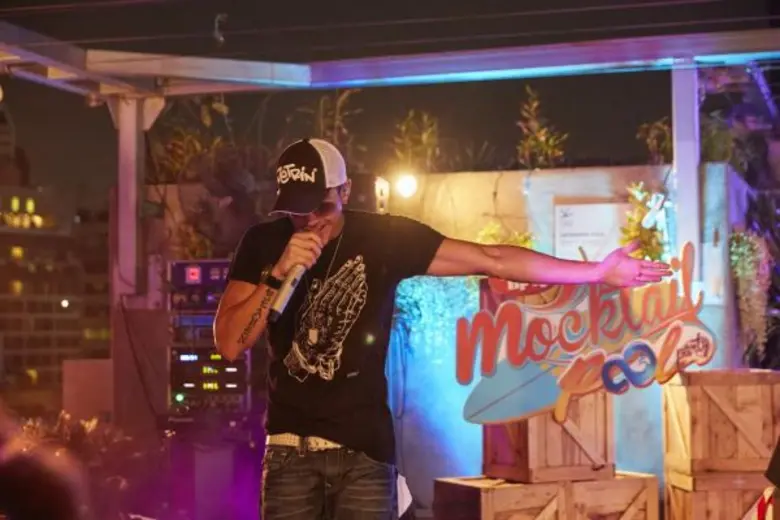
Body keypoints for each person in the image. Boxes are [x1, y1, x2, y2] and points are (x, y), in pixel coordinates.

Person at [213, 138, 672, 520]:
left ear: (346, 191)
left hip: (362, 454)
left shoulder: (382, 238)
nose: (311, 220)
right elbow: (231, 344)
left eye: (323, 206)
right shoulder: (265, 244)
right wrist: (277, 275)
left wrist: (596, 272)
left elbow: (491, 258)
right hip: (290, 453)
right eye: (298, 211)